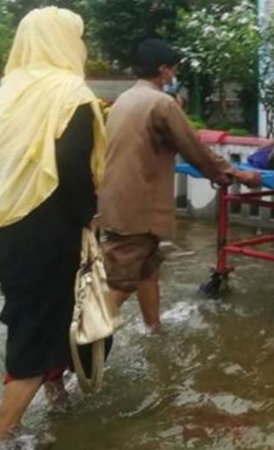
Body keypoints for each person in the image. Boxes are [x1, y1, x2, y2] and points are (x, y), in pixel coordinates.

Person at [0, 7, 107, 441]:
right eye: (77, 36)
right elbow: (70, 166)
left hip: (7, 225)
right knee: (37, 326)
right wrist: (91, 218)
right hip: (51, 231)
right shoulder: (70, 95)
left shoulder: (11, 92)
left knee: (34, 311)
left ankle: (57, 396)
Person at [97, 39, 259, 333]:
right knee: (122, 282)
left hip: (118, 202)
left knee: (147, 269)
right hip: (137, 208)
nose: (175, 77)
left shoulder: (127, 98)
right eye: (174, 71)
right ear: (163, 70)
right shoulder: (161, 103)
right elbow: (193, 147)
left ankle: (153, 329)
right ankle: (71, 349)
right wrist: (235, 174)